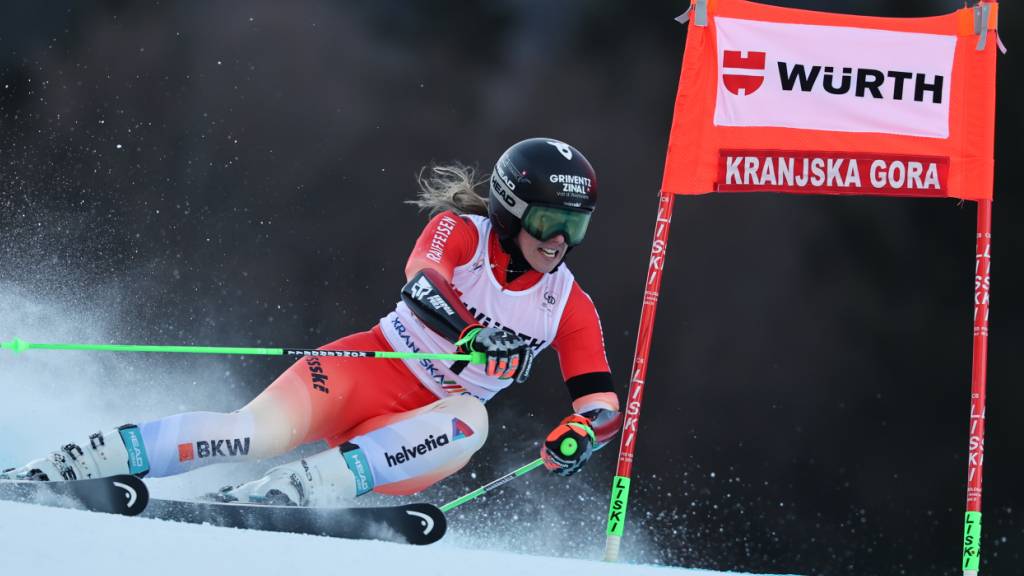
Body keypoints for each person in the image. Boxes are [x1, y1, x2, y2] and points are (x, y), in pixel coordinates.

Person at [2, 138, 622, 507]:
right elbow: (421, 282)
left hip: (421, 433)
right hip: (366, 367)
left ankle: (290, 492)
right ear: (512, 211)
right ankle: (66, 465)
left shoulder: (568, 304)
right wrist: (473, 337)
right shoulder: (461, 232)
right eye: (549, 221)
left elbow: (600, 403)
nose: (561, 240)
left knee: (472, 420)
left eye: (577, 225)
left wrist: (580, 435)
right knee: (249, 434)